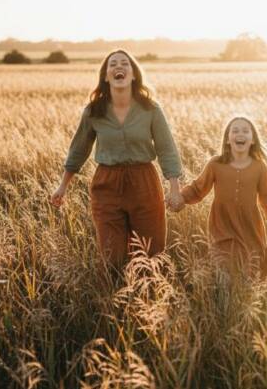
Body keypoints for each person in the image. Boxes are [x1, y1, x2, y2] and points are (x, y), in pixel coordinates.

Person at [50, 49, 183, 268]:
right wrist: (62, 186)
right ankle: (115, 297)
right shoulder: (94, 111)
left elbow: (166, 148)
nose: (118, 67)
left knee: (151, 254)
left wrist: (175, 188)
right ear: (105, 75)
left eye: (125, 64)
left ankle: (150, 298)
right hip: (107, 184)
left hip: (144, 182)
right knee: (112, 256)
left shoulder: (151, 109)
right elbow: (78, 150)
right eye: (113, 64)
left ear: (133, 74)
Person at [172, 116, 267, 279]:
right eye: (235, 130)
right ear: (227, 139)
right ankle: (225, 297)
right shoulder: (216, 164)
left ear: (253, 140)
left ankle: (248, 297)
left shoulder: (259, 167)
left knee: (252, 263)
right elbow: (198, 188)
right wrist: (181, 198)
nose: (240, 134)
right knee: (224, 262)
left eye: (246, 131)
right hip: (222, 224)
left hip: (250, 225)